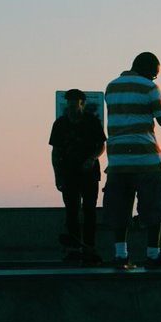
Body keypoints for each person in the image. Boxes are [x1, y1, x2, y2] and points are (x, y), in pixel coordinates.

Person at [102, 51, 161, 269]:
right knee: (153, 207)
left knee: (120, 209)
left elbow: (132, 112)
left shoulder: (111, 87)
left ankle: (121, 256)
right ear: (148, 69)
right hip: (146, 158)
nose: (154, 78)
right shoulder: (149, 87)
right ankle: (153, 255)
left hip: (117, 160)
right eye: (155, 74)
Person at [48, 88, 106, 264]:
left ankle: (89, 248)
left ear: (82, 103)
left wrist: (92, 158)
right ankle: (73, 249)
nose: (72, 106)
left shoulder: (92, 121)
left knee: (90, 211)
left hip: (89, 174)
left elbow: (102, 145)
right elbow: (55, 152)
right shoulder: (60, 124)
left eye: (75, 102)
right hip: (68, 173)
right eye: (69, 102)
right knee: (71, 212)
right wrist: (57, 175)